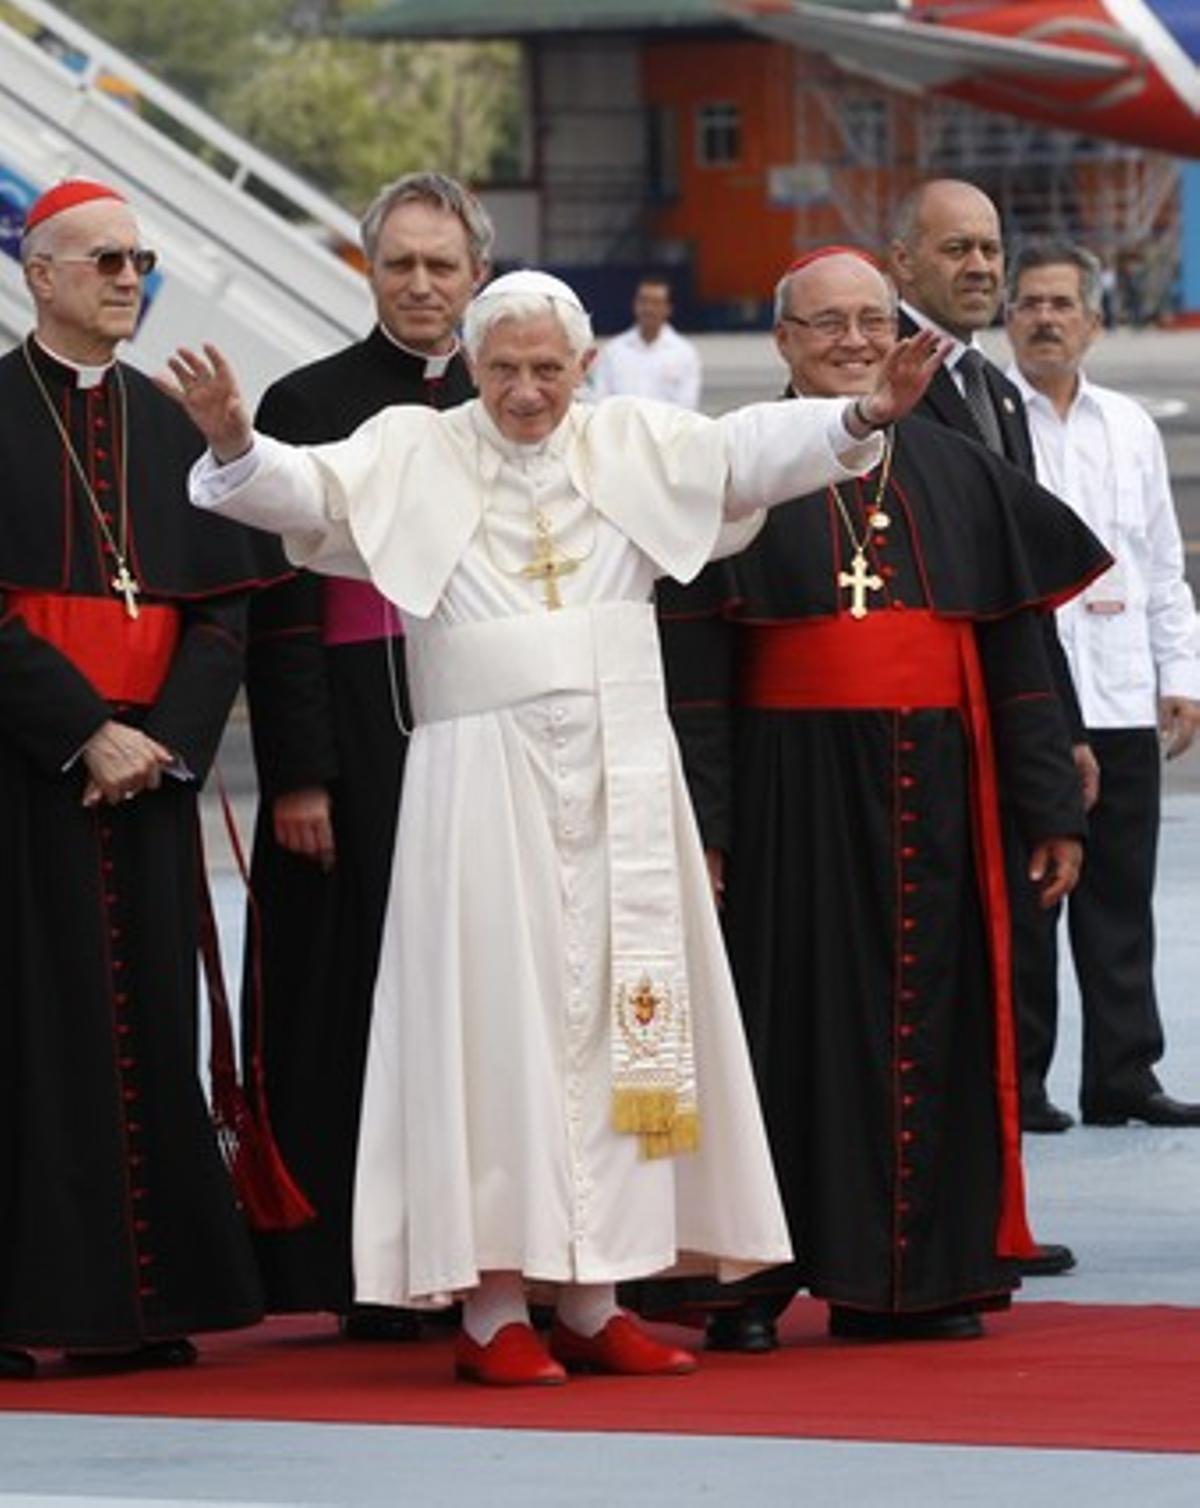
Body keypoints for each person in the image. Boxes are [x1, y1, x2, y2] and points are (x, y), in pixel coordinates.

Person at [172, 268, 946, 1385]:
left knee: (618, 1034)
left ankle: (596, 1293)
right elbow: (302, 490)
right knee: (496, 1032)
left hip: (622, 773)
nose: (526, 392)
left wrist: (865, 415)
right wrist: (237, 436)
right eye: (503, 370)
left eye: (547, 368)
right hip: (478, 783)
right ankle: (494, 1310)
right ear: (470, 371)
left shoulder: (633, 439)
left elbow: (747, 452)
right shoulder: (414, 449)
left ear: (584, 366)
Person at [657, 247, 1108, 1352]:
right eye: (827, 324)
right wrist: (705, 829)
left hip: (936, 797)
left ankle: (907, 1278)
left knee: (934, 1022)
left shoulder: (955, 467)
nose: (855, 340)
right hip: (782, 798)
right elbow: (698, 678)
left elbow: (1016, 647)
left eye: (872, 319)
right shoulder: (737, 465)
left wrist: (1050, 801)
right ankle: (753, 1278)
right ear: (782, 341)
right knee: (778, 1028)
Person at [0, 178, 273, 1380]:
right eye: (103, 259)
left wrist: (160, 739)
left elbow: (223, 612)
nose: (128, 278)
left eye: (140, 260)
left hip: (149, 778)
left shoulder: (174, 428)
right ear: (38, 272)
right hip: (22, 775)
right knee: (29, 1031)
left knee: (146, 1026)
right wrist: (79, 729)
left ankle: (137, 1297)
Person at [241, 172, 491, 1337]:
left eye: (444, 264)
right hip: (357, 743)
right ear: (370, 270)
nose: (425, 285)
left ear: (477, 272)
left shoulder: (520, 391)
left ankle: (500, 1253)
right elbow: (281, 602)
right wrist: (298, 771)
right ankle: (368, 1268)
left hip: (491, 734)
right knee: (357, 1001)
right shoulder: (306, 399)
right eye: (402, 264)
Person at [889, 181, 1095, 1233]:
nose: (980, 266)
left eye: (990, 249)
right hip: (918, 728)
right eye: (956, 248)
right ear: (904, 262)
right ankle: (953, 1214)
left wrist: (1056, 732)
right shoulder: (889, 379)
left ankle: (994, 1206)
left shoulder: (997, 392)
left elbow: (1026, 587)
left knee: (1012, 965)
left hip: (1002, 712)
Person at [1005, 240, 1200, 1127]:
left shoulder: (1129, 427)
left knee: (1120, 893)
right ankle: (1026, 1079)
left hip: (1120, 692)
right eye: (1031, 302)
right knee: (1031, 894)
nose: (1046, 317)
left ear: (1094, 321)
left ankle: (1123, 1073)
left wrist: (1181, 673)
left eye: (1062, 304)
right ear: (1009, 320)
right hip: (1037, 697)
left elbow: (1162, 560)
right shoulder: (994, 419)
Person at [589, 276, 702, 408]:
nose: (649, 309)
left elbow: (687, 407)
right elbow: (600, 401)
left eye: (656, 303)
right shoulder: (613, 350)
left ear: (668, 308)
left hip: (668, 428)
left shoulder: (685, 354)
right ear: (635, 304)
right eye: (643, 301)